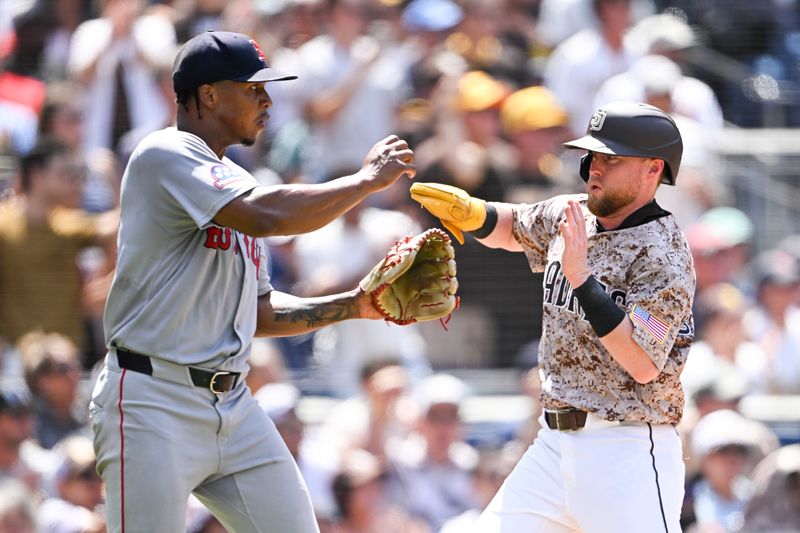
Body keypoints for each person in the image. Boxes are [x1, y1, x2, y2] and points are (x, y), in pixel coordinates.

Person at [90, 30, 417, 533]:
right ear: (208, 95)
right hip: (152, 399)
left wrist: (354, 304)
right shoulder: (166, 152)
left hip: (232, 401)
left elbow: (259, 312)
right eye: (252, 87)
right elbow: (265, 216)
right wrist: (364, 181)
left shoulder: (233, 180)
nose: (266, 99)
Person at [411, 101, 696, 532]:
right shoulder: (573, 213)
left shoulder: (665, 257)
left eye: (611, 159)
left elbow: (643, 361)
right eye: (593, 155)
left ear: (653, 169)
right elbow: (515, 226)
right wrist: (475, 213)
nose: (594, 167)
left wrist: (584, 283)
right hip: (552, 445)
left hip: (627, 452)